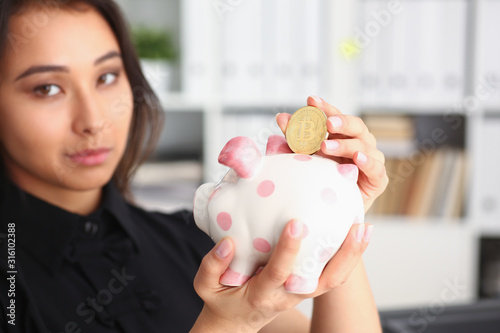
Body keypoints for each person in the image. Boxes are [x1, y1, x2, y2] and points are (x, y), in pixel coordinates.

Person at [0, 0, 389, 332]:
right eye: (47, 88)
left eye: (106, 76)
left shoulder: (200, 241)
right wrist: (227, 324)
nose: (94, 119)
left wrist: (334, 212)